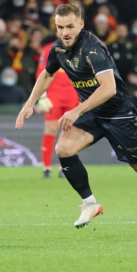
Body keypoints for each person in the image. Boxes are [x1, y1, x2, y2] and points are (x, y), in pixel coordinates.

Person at [16, 4, 137, 238]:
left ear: (80, 24)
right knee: (64, 148)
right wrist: (29, 103)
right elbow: (47, 74)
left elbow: (109, 88)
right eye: (60, 27)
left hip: (117, 112)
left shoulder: (93, 49)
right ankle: (90, 203)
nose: (65, 32)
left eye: (70, 26)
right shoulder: (58, 49)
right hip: (91, 113)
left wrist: (76, 110)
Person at [35, 36, 80, 179]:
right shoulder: (49, 48)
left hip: (73, 94)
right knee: (51, 129)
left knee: (69, 130)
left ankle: (64, 167)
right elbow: (42, 72)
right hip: (54, 94)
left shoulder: (80, 48)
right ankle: (47, 167)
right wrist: (42, 96)